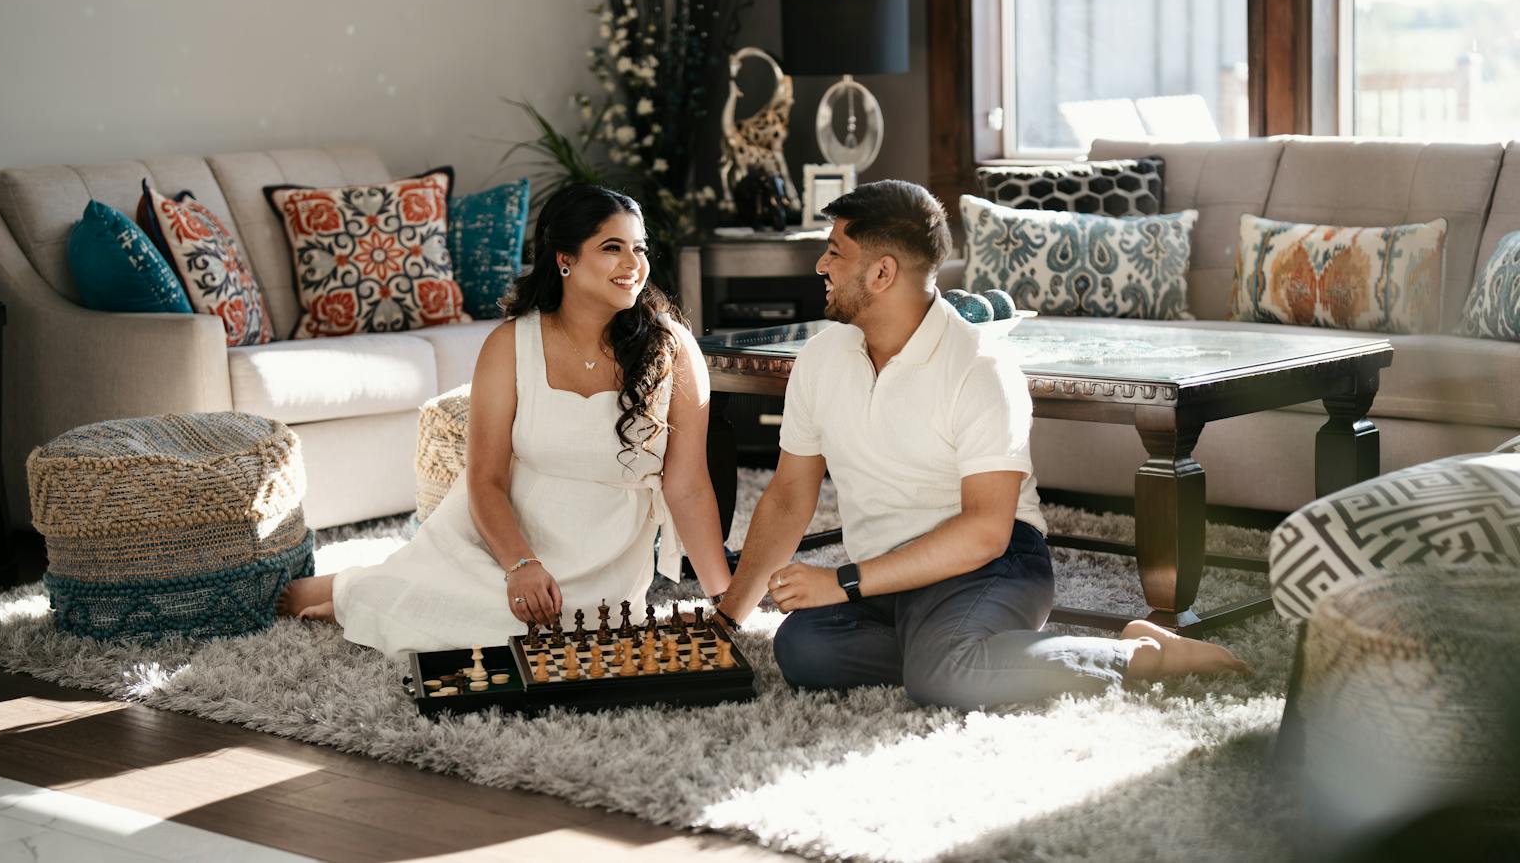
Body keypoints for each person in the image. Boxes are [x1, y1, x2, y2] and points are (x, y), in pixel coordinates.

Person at [713, 180, 1247, 709]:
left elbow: (986, 532)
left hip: (994, 564)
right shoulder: (821, 359)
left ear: (882, 272)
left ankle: (1137, 655)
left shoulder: (980, 368)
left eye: (834, 252)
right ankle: (961, 651)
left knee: (946, 672)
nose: (820, 267)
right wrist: (727, 617)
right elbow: (788, 495)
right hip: (891, 575)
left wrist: (844, 582)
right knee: (802, 649)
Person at [279, 184, 732, 657]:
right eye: (612, 248)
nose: (634, 264)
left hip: (607, 563)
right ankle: (357, 588)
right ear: (565, 260)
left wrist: (724, 597)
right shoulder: (511, 343)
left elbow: (689, 485)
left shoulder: (671, 347)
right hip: (507, 540)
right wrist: (520, 565)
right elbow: (486, 478)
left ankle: (378, 588)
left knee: (560, 638)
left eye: (639, 248)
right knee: (419, 610)